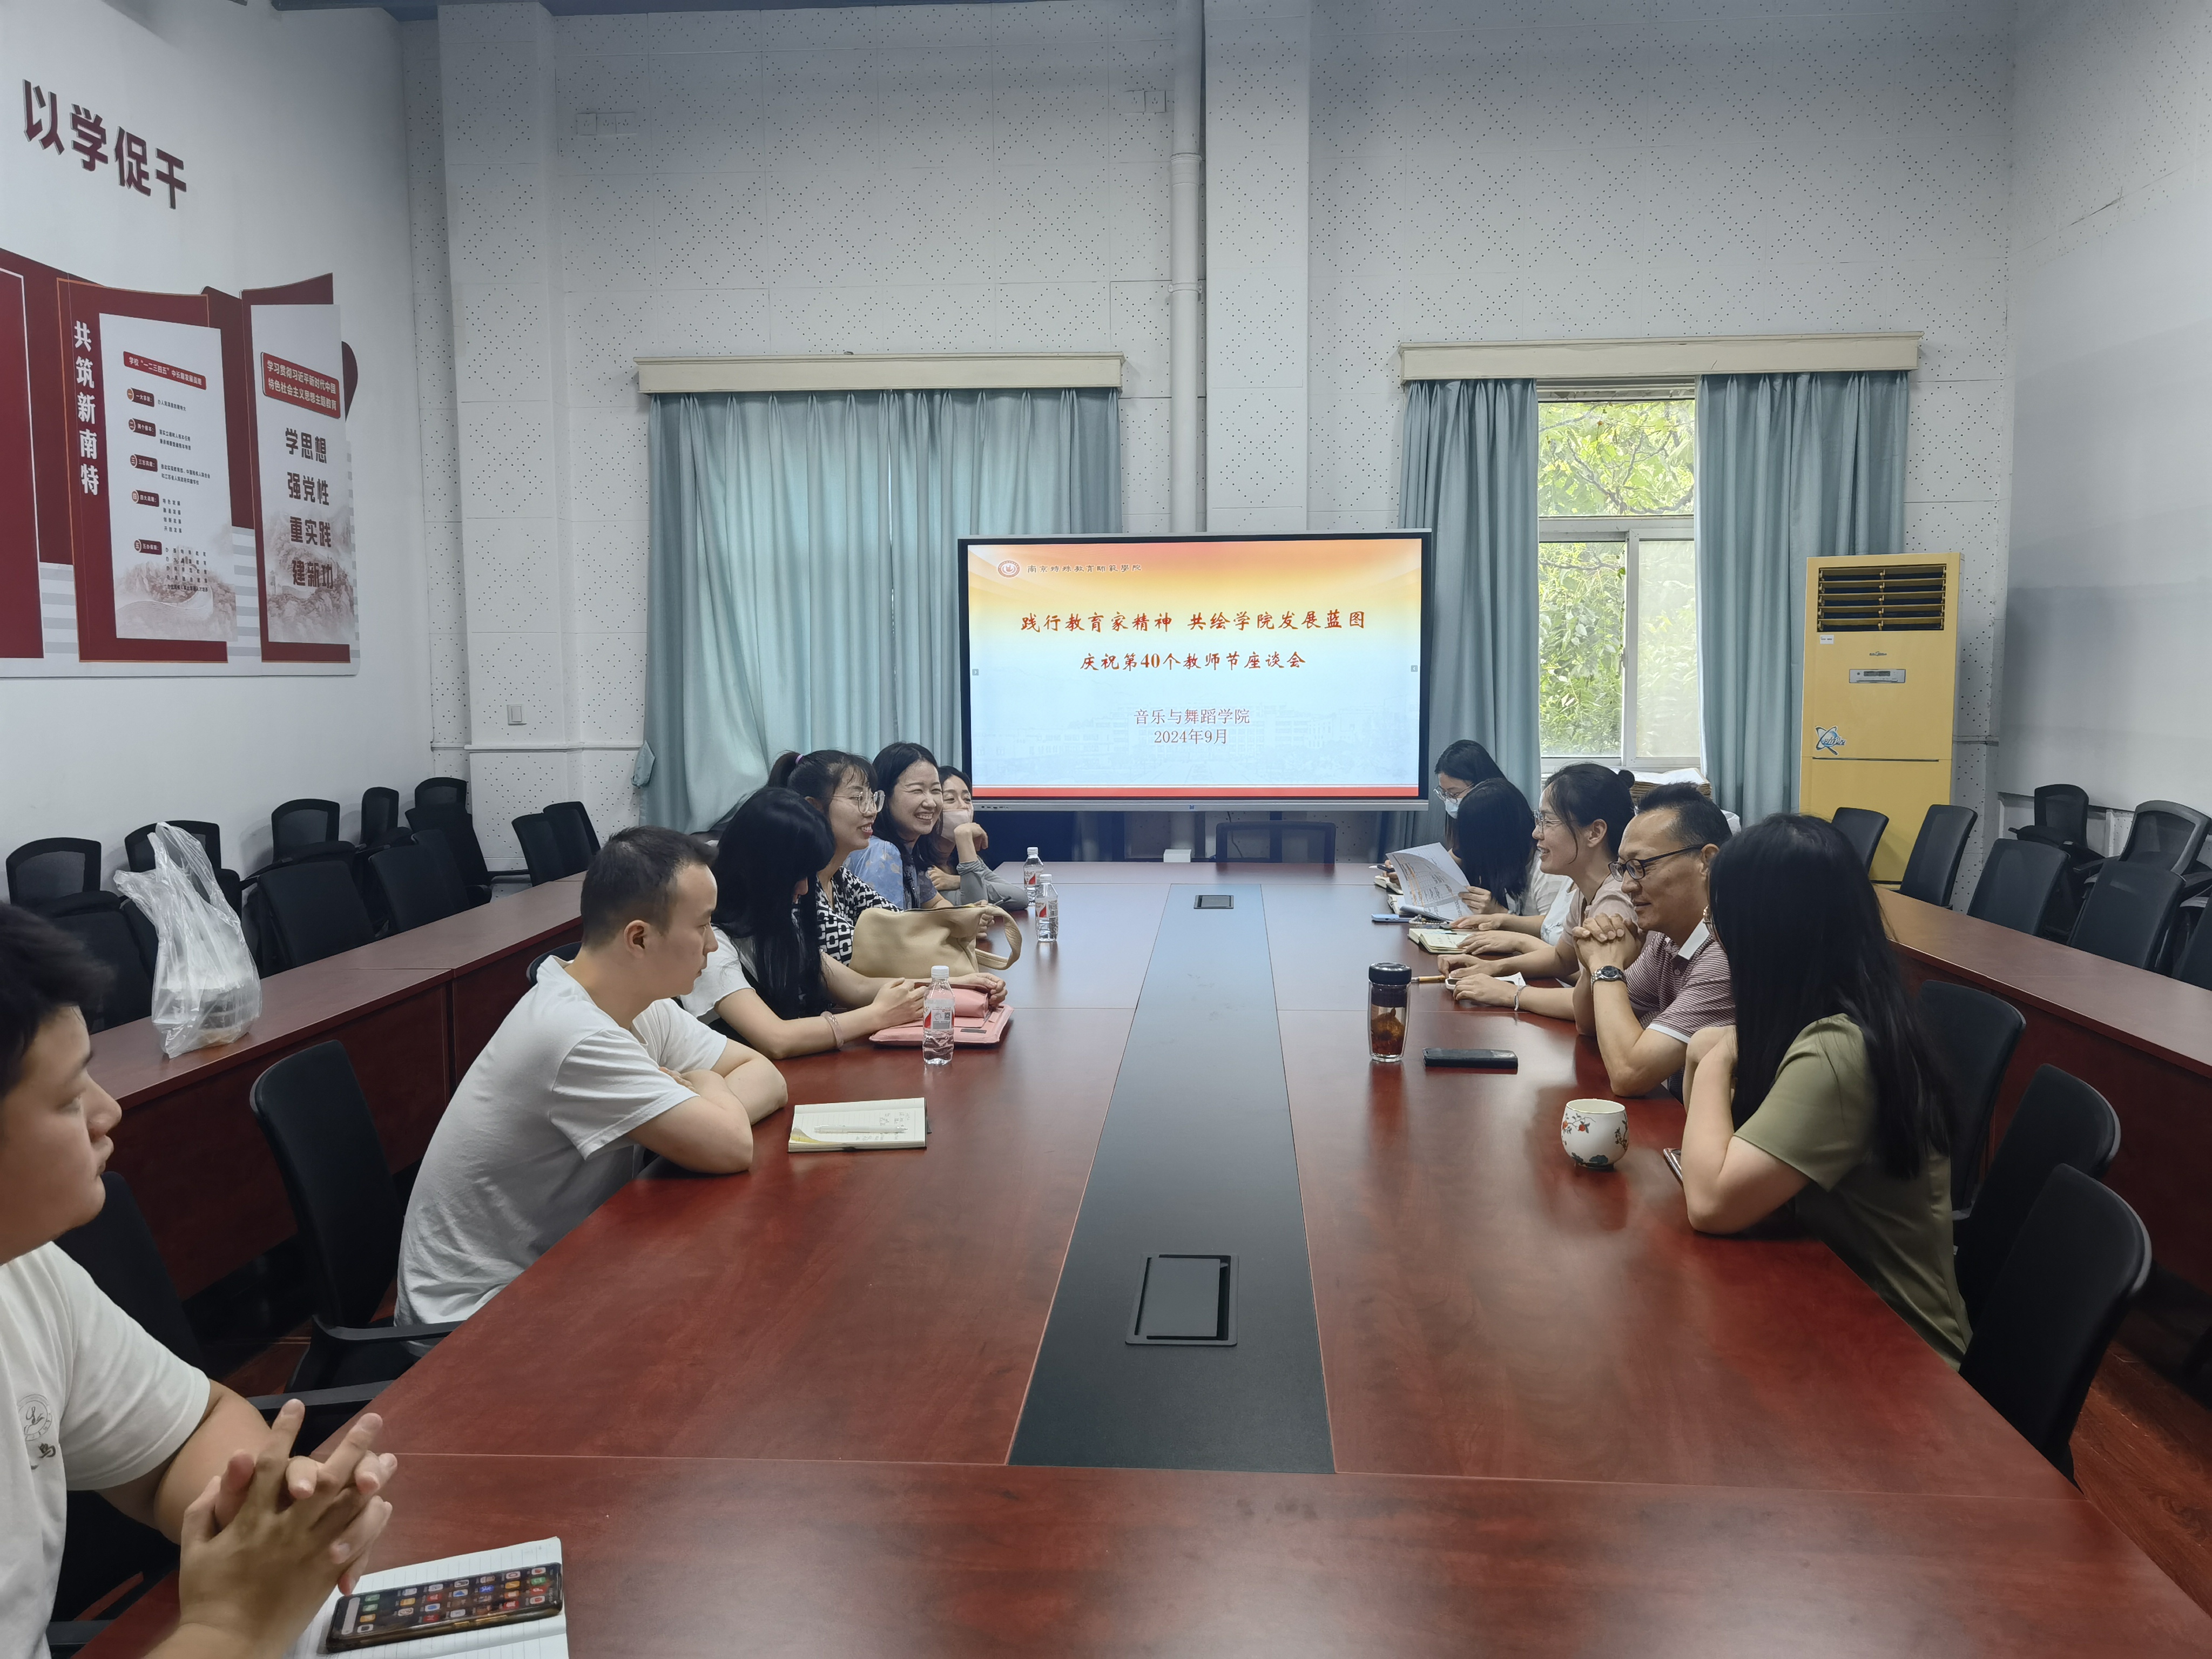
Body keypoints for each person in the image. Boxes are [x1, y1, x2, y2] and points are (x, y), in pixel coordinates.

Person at [1, 905, 400, 1659]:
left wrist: (269, 1518)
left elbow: (188, 1432)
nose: (108, 1111)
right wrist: (230, 1626)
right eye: (67, 1098)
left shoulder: (23, 1269)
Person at [398, 828, 788, 1326]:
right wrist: (709, 1089)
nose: (713, 944)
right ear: (639, 938)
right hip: (474, 1318)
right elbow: (732, 1147)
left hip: (559, 1268)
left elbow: (765, 1075)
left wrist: (702, 1098)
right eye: (703, 925)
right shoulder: (575, 1035)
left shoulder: (636, 1000)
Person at [1678, 815, 1968, 1365]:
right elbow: (1707, 1156)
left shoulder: (1838, 1051)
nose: (1715, 934)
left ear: (1767, 934)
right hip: (1831, 1302)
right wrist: (1705, 1052)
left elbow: (1711, 1202)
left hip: (1900, 1358)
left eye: (1720, 920)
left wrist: (1714, 1060)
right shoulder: (1829, 1018)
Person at [690, 787, 1006, 1060]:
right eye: (796, 877)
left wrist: (952, 984)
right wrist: (876, 1016)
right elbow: (777, 1039)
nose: (804, 889)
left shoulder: (775, 927)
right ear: (760, 872)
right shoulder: (711, 947)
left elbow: (857, 987)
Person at [1569, 781, 1736, 1095]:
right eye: (1623, 869)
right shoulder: (1666, 938)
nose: (1627, 885)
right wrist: (1592, 964)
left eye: (1640, 866)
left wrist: (1606, 966)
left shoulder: (1725, 952)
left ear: (1707, 861)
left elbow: (1629, 1073)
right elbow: (1589, 1024)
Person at [1441, 764, 1637, 1021]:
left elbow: (1599, 1005)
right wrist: (1494, 967)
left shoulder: (1615, 902)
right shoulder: (1586, 889)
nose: (1536, 833)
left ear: (1595, 832)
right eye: (1539, 820)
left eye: (1548, 821)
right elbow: (1562, 958)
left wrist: (1512, 994)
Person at [767, 748, 893, 963]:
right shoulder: (799, 886)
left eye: (872, 798)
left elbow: (900, 921)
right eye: (858, 798)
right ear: (813, 808)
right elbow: (870, 956)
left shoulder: (841, 877)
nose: (872, 810)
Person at [933, 767, 1030, 908]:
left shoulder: (958, 856)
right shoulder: (926, 870)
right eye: (950, 799)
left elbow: (1019, 897)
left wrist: (957, 881)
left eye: (967, 799)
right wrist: (963, 836)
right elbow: (976, 907)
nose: (964, 806)